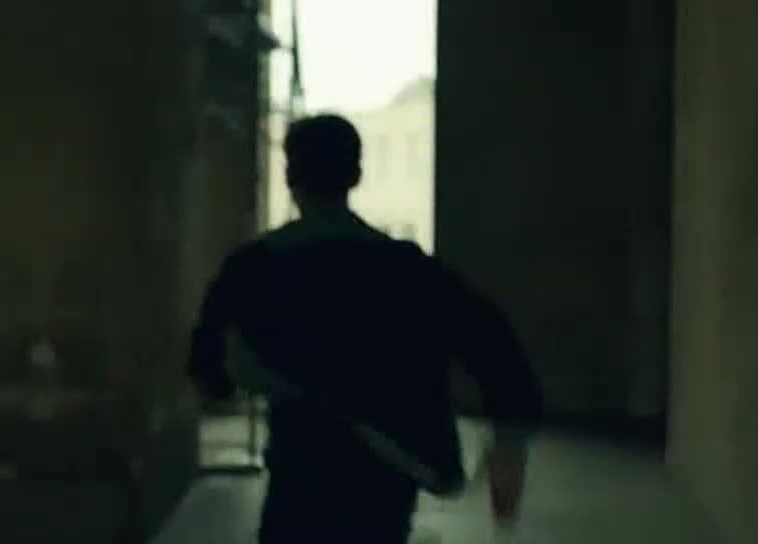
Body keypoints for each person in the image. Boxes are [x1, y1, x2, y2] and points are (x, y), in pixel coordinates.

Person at [187, 114, 544, 544]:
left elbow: (208, 366)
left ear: (290, 177)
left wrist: (232, 382)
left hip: (300, 469)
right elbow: (493, 343)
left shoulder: (253, 268)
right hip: (386, 476)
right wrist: (509, 435)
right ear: (355, 175)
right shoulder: (407, 269)